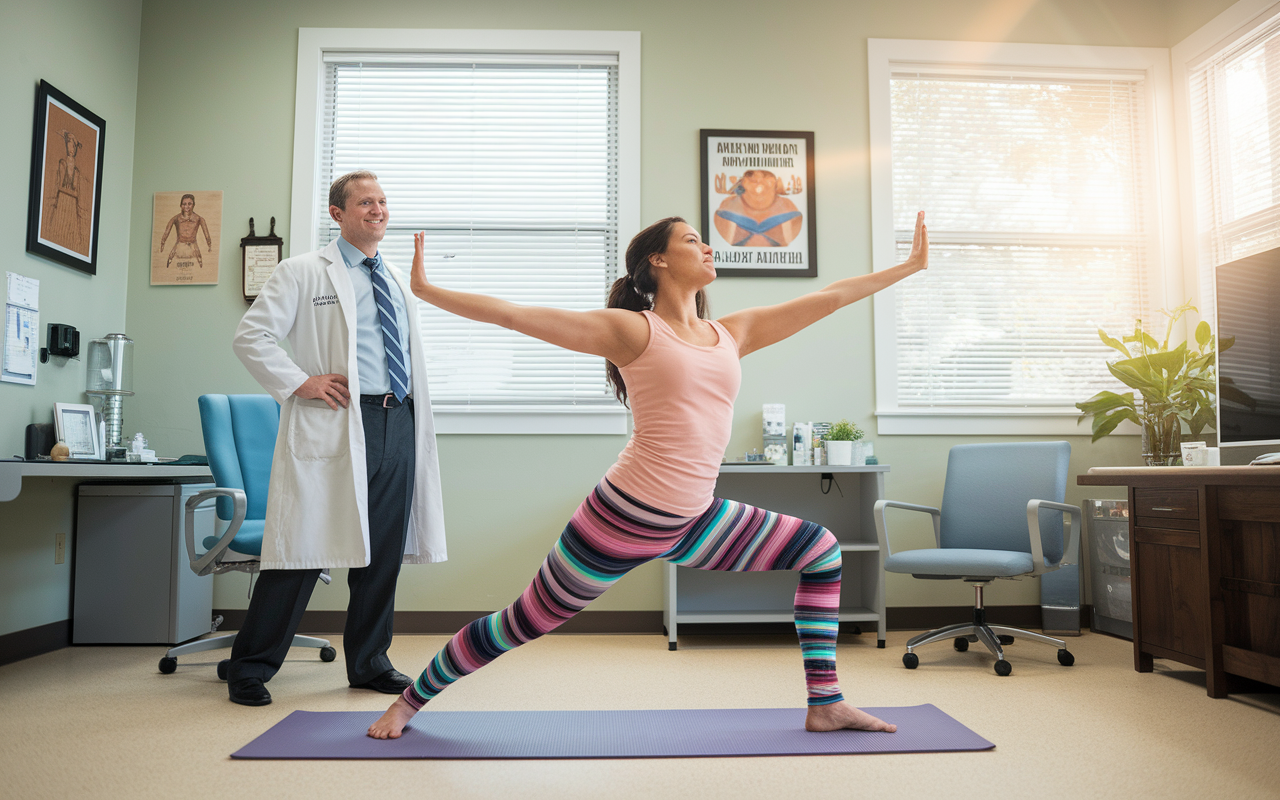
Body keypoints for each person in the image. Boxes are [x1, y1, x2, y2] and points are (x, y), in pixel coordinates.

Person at [368, 211, 928, 739]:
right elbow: (517, 316)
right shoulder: (633, 331)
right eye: (691, 240)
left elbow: (829, 297)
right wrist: (427, 291)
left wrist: (906, 268)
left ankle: (826, 705)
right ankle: (410, 700)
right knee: (524, 622)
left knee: (821, 551)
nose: (708, 246)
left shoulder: (732, 333)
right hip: (622, 518)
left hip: (694, 518)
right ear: (656, 261)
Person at [229, 170, 447, 706]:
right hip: (338, 419)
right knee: (303, 549)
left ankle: (370, 663)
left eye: (383, 201)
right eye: (365, 202)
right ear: (338, 213)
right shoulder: (304, 271)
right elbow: (250, 335)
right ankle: (249, 667)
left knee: (383, 552)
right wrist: (300, 381)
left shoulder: (395, 276)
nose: (378, 210)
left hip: (399, 420)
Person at [159, 193, 213, 269]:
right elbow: (166, 232)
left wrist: (209, 245)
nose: (186, 206)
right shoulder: (176, 218)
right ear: (180, 205)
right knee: (169, 264)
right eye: (184, 204)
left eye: (189, 204)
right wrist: (162, 244)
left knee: (200, 266)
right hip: (178, 246)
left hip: (194, 246)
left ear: (194, 205)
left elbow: (206, 234)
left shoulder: (199, 219)